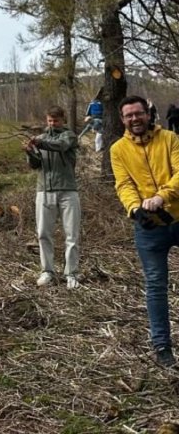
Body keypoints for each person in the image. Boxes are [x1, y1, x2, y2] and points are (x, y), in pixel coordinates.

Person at [111, 95, 179, 368]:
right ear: (123, 120)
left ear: (148, 114)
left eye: (138, 114)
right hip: (149, 228)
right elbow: (124, 184)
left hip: (177, 215)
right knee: (155, 286)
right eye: (128, 116)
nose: (134, 119)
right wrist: (135, 209)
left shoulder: (171, 140)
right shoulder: (117, 150)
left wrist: (162, 197)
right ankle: (162, 347)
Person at [24, 105, 80, 289]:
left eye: (55, 120)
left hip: (68, 190)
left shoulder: (69, 136)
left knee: (71, 234)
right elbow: (35, 165)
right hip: (44, 190)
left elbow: (61, 146)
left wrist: (40, 143)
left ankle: (71, 273)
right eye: (49, 120)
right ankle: (47, 271)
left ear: (63, 120)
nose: (52, 124)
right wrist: (30, 152)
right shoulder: (41, 138)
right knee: (43, 233)